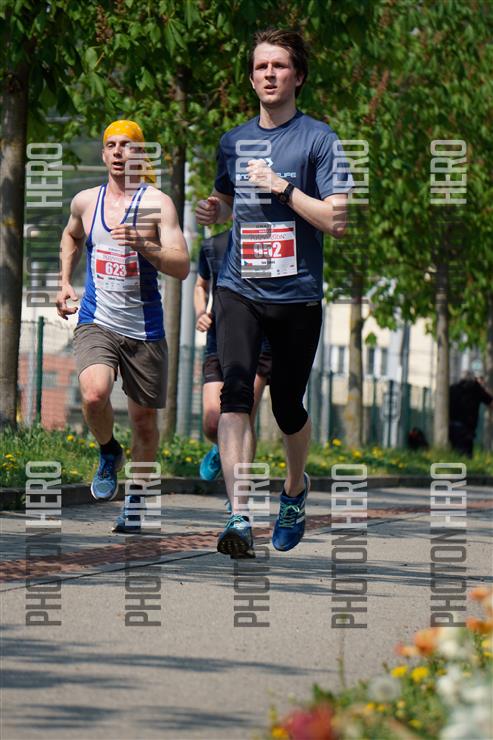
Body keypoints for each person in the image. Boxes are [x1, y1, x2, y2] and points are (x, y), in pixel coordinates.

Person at [196, 29, 353, 558]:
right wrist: (214, 209)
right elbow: (223, 196)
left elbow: (337, 220)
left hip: (297, 294)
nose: (269, 74)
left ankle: (294, 489)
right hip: (239, 286)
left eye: (279, 66)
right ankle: (239, 515)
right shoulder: (233, 141)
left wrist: (282, 188)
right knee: (234, 393)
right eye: (261, 66)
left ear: (298, 76)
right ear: (251, 78)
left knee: (287, 404)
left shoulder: (319, 140)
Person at [56, 119, 189, 532]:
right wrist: (64, 281)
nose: (118, 152)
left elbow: (181, 265)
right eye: (111, 145)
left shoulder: (158, 204)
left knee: (144, 422)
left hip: (144, 328)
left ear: (140, 154)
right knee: (94, 394)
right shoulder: (86, 201)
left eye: (127, 145)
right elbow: (71, 236)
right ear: (103, 154)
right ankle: (109, 451)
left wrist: (145, 245)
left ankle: (135, 503)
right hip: (97, 319)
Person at [194, 230, 272, 482]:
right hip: (219, 338)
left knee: (242, 414)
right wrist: (201, 313)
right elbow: (200, 285)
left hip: (260, 341)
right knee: (212, 423)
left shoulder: (267, 242)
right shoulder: (212, 245)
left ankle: (239, 491)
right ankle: (222, 447)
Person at [449, 373, 493, 457]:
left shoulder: (453, 388)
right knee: (466, 455)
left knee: (456, 453)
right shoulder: (476, 388)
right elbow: (490, 401)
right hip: (467, 427)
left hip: (452, 425)